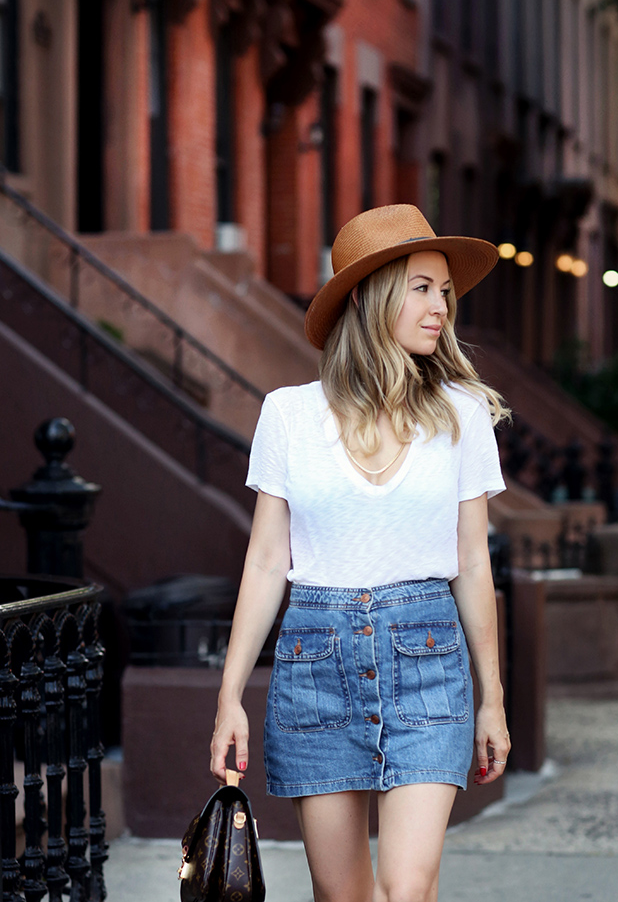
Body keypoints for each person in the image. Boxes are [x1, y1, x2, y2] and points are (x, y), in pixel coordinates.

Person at [210, 204, 511, 902]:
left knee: (406, 887)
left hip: (427, 656)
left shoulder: (463, 415)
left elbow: (472, 561)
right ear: (372, 298)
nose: (441, 306)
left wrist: (492, 699)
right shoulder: (288, 414)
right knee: (342, 894)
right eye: (423, 287)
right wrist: (229, 693)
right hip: (315, 657)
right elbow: (264, 561)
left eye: (445, 291)